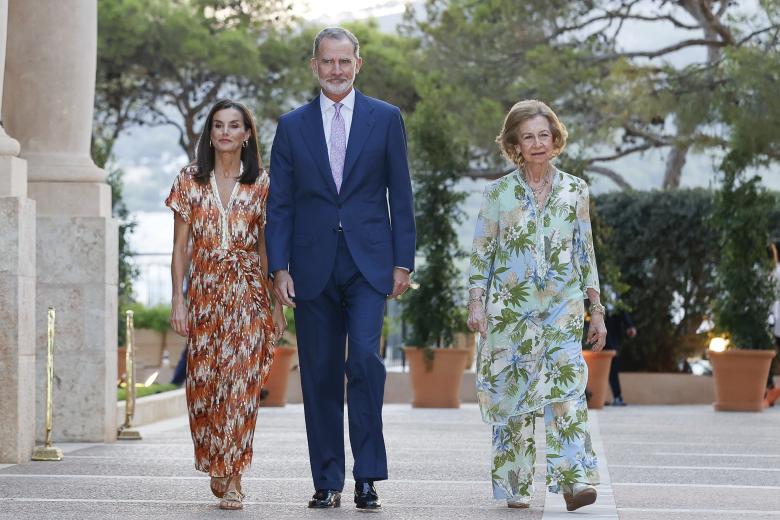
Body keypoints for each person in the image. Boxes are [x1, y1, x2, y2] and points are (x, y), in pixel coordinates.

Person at [266, 27, 415, 511]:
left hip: (369, 264)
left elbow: (402, 195)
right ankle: (327, 479)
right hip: (310, 267)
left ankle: (368, 476)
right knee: (320, 374)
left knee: (365, 365)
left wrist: (402, 261)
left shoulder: (386, 118)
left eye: (343, 62)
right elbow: (281, 205)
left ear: (358, 64)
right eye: (327, 62)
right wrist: (278, 268)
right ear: (315, 66)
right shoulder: (291, 126)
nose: (336, 70)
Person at [467, 100, 606, 512]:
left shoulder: (575, 189)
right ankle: (516, 485)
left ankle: (573, 481)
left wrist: (595, 309)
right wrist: (476, 304)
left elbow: (586, 252)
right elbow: (482, 253)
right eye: (528, 136)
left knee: (567, 391)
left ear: (555, 138)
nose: (538, 143)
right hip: (511, 313)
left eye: (544, 134)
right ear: (515, 144)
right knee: (516, 397)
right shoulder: (498, 193)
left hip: (562, 309)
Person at [166, 99, 286, 510]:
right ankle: (215, 457)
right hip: (203, 295)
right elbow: (180, 249)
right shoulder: (189, 180)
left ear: (247, 134)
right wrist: (177, 302)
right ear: (210, 133)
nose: (225, 132)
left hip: (248, 293)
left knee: (241, 386)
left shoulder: (263, 183)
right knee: (204, 385)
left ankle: (235, 475)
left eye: (234, 125)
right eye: (218, 125)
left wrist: (277, 304)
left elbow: (267, 249)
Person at [603, 287, 637, 406]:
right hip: (598, 341)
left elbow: (623, 313)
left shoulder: (616, 304)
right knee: (601, 370)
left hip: (612, 342)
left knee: (612, 369)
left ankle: (617, 397)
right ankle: (597, 396)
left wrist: (630, 326)